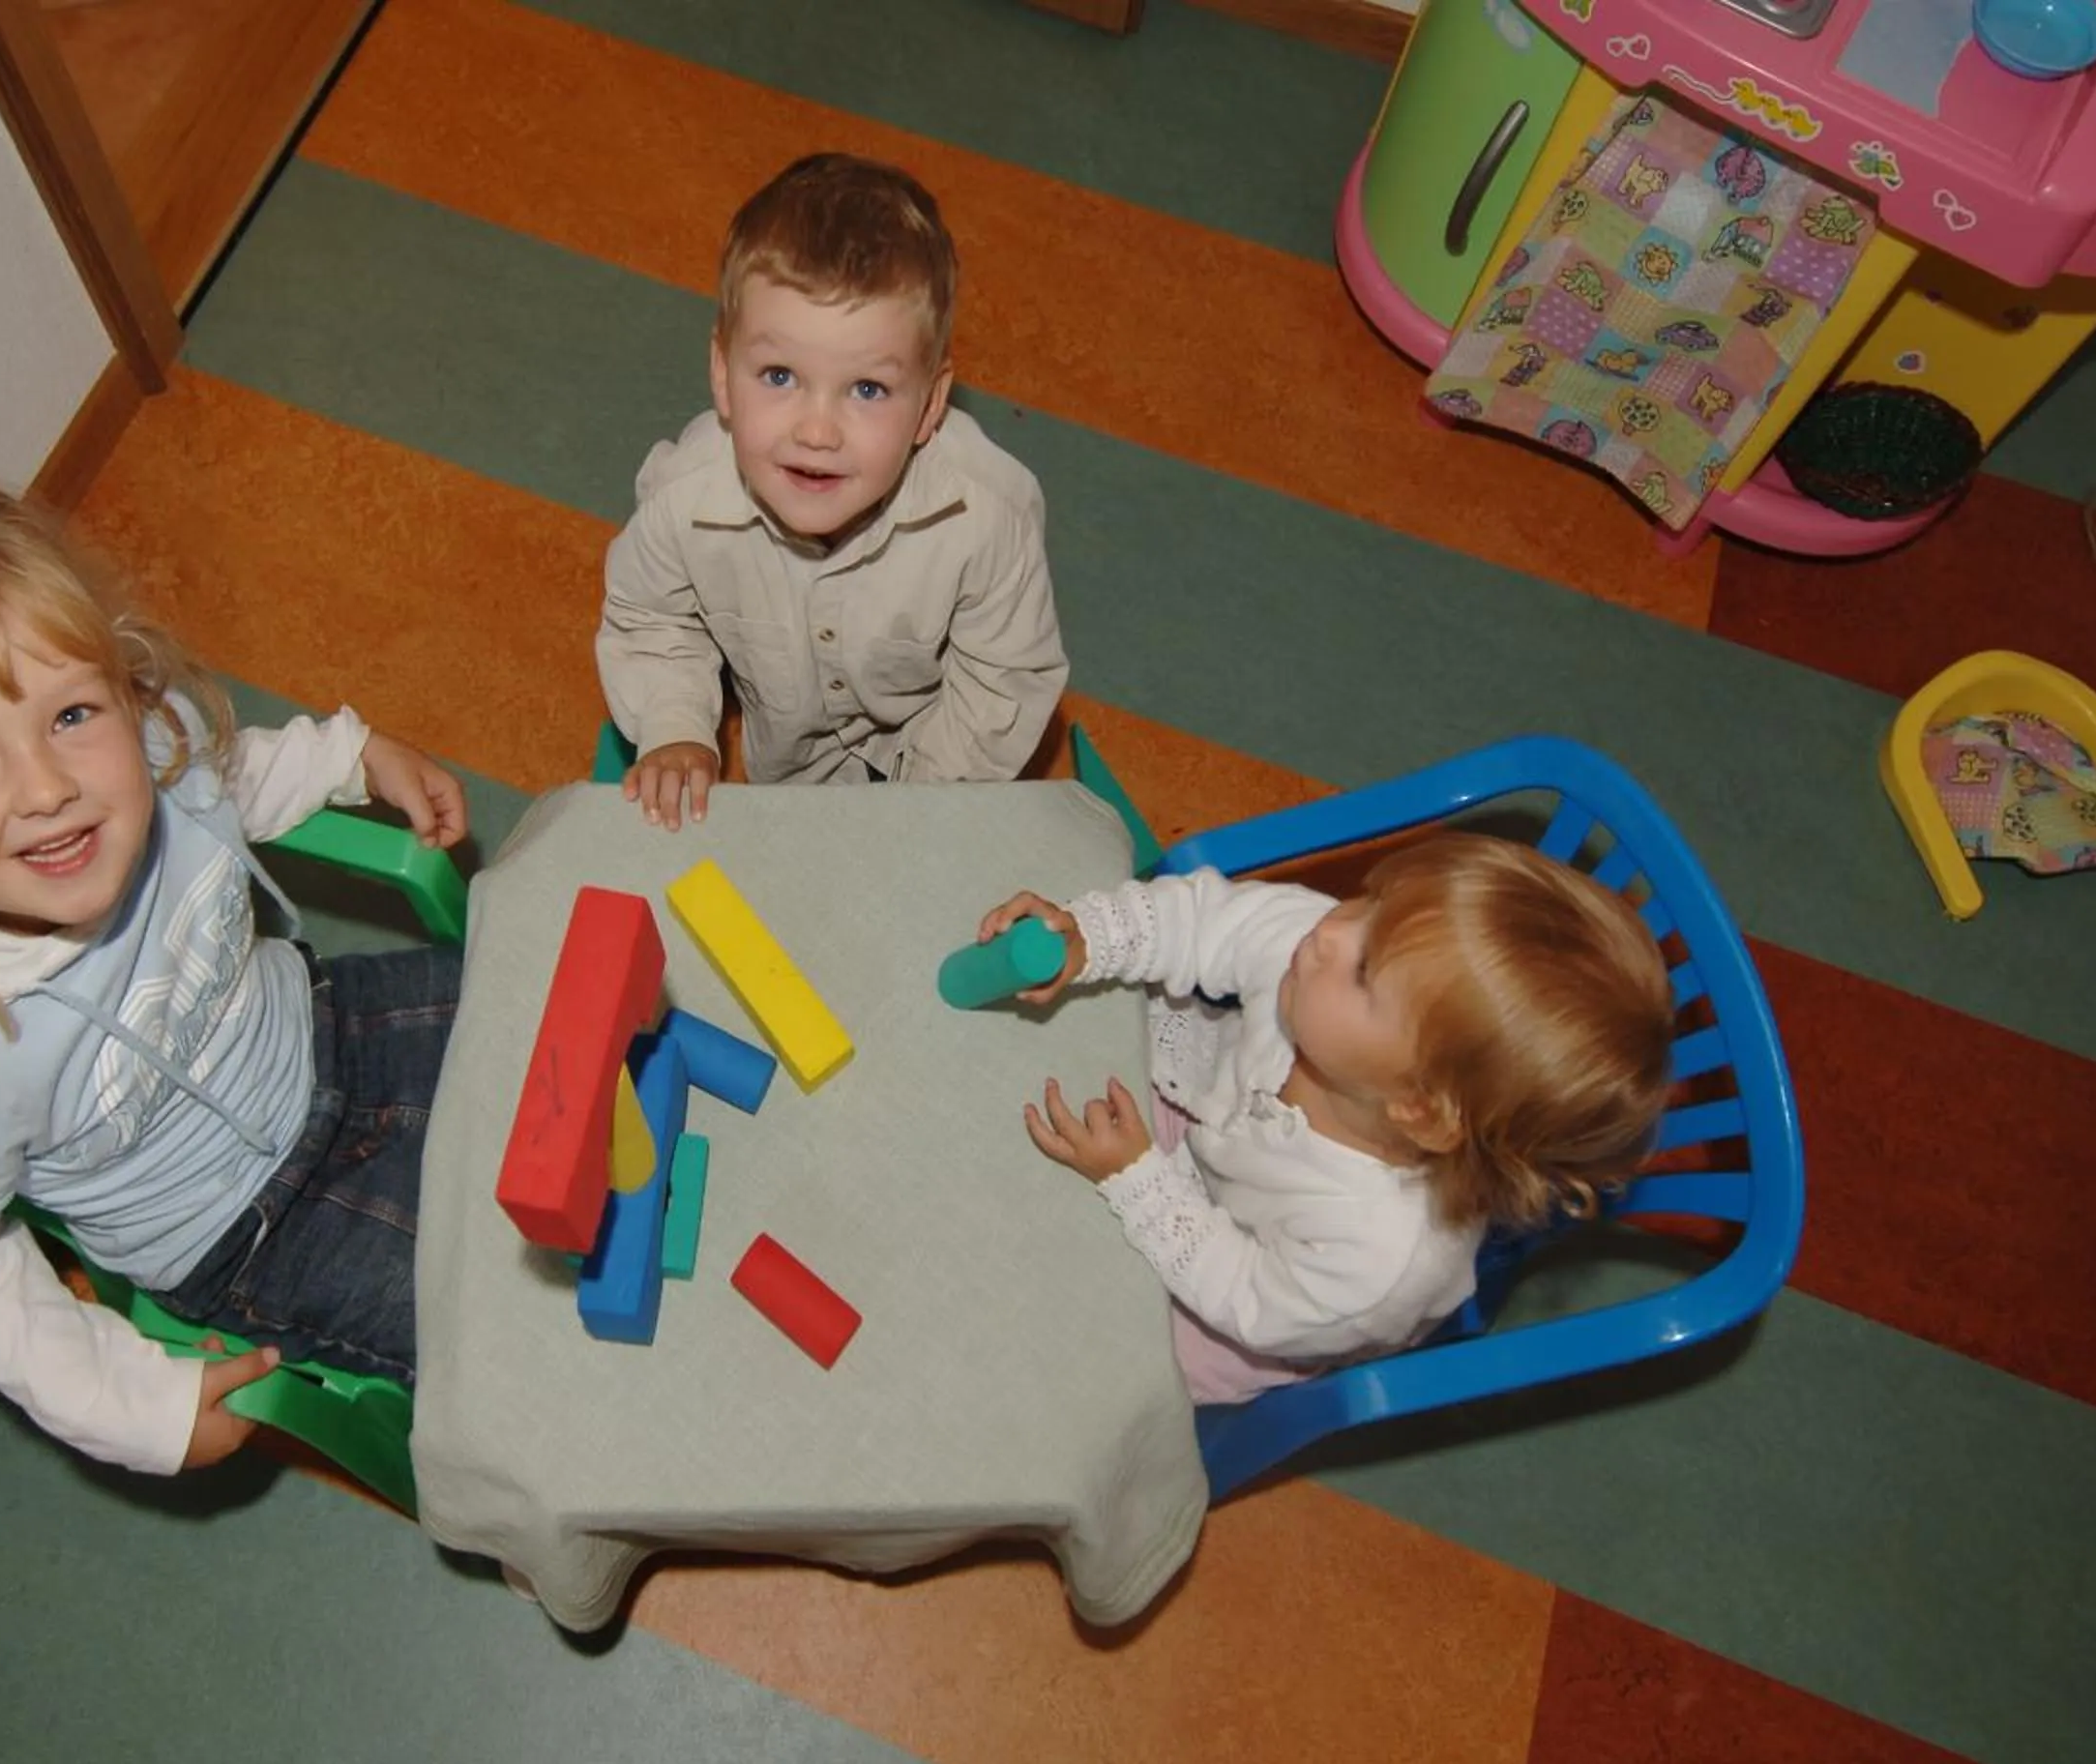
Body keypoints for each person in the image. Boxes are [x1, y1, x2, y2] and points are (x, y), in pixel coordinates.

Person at [0, 471, 468, 1474]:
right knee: (503, 1328)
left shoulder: (143, 748)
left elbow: (223, 780)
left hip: (334, 1027)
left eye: (71, 715)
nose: (47, 788)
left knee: (571, 1000)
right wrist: (131, 1405)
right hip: (250, 1231)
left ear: (119, 683)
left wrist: (350, 756)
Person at [979, 834, 1675, 1401]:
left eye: (1367, 971)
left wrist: (1139, 1184)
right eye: (1373, 901)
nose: (1329, 933)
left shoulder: (1382, 1260)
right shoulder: (1330, 952)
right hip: (1203, 1114)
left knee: (1069, 1367)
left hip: (1241, 1315)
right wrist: (1091, 937)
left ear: (1417, 1108)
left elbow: (1246, 1296)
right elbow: (1205, 922)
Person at [597, 152, 1067, 829]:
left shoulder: (987, 521)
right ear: (723, 373)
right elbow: (653, 620)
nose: (817, 431)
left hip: (940, 764)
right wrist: (675, 727)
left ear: (932, 404)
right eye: (780, 376)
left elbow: (1003, 683)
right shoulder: (684, 501)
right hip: (784, 771)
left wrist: (914, 809)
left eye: (868, 390)